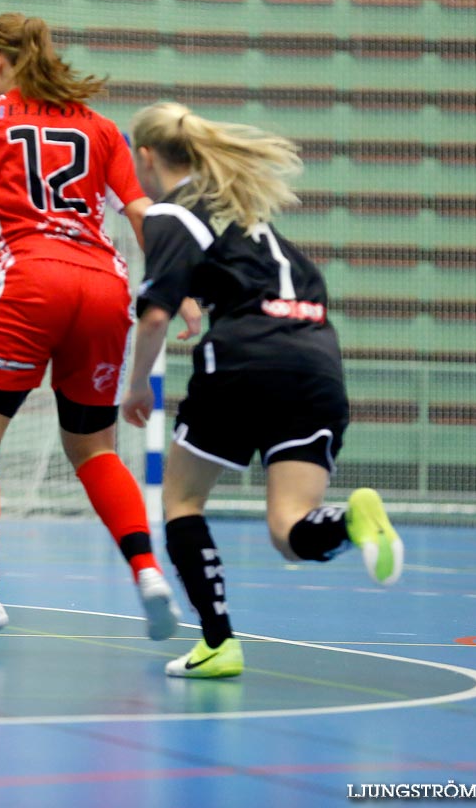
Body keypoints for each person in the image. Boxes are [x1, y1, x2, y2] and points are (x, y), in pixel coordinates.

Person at [0, 12, 198, 657]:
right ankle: (148, 574)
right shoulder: (98, 128)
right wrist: (181, 286)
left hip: (30, 280)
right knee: (95, 448)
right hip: (104, 285)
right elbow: (144, 215)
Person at [120, 101, 404, 679]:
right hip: (318, 362)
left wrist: (136, 389)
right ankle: (350, 521)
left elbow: (153, 317)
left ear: (146, 156)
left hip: (244, 361)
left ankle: (219, 643)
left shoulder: (172, 213)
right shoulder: (246, 212)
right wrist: (202, 302)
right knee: (290, 531)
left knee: (181, 501)